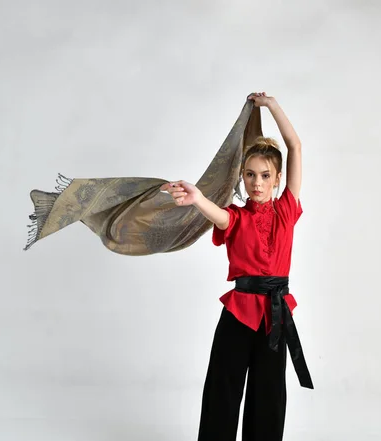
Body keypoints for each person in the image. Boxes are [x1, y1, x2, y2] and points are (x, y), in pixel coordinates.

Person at [161, 92, 312, 441]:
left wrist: (271, 106)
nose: (256, 183)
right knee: (223, 391)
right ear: (242, 178)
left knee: (268, 396)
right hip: (239, 314)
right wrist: (196, 197)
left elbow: (296, 147)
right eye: (249, 175)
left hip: (275, 316)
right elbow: (216, 213)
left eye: (264, 175)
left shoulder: (287, 210)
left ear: (277, 179)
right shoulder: (237, 218)